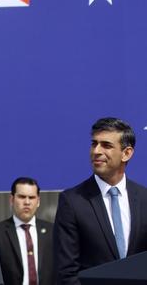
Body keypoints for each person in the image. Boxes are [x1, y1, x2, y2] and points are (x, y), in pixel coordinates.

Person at [53, 117, 147, 284]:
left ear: (127, 153)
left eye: (106, 145)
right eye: (94, 143)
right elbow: (66, 273)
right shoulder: (72, 201)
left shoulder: (144, 198)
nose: (96, 151)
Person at [0, 177, 54, 285]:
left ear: (38, 201)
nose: (27, 202)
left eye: (32, 197)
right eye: (21, 197)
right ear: (12, 199)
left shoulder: (54, 232)